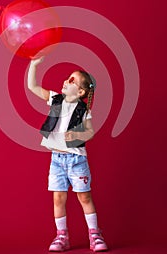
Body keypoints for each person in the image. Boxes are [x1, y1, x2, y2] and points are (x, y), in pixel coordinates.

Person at [27, 57, 108, 252]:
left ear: (80, 92)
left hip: (77, 159)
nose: (66, 81)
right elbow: (33, 87)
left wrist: (78, 134)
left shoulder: (83, 109)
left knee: (85, 197)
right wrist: (34, 64)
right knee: (58, 199)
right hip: (57, 159)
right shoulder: (55, 99)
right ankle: (62, 236)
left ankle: (95, 234)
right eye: (67, 78)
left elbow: (90, 131)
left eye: (71, 80)